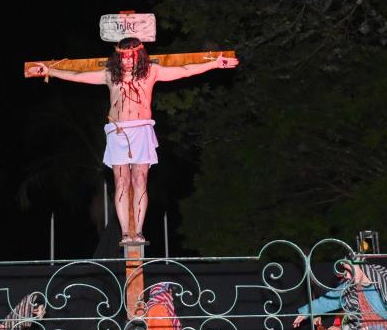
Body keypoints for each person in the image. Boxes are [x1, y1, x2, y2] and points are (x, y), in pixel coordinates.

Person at [27, 38, 238, 245]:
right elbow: (78, 75)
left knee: (139, 181)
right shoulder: (111, 75)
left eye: (132, 56)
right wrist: (49, 70)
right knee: (121, 182)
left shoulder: (151, 72)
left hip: (142, 130)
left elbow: (184, 70)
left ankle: (137, 231)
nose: (128, 61)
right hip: (118, 132)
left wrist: (214, 63)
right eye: (124, 57)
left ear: (140, 55)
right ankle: (126, 232)